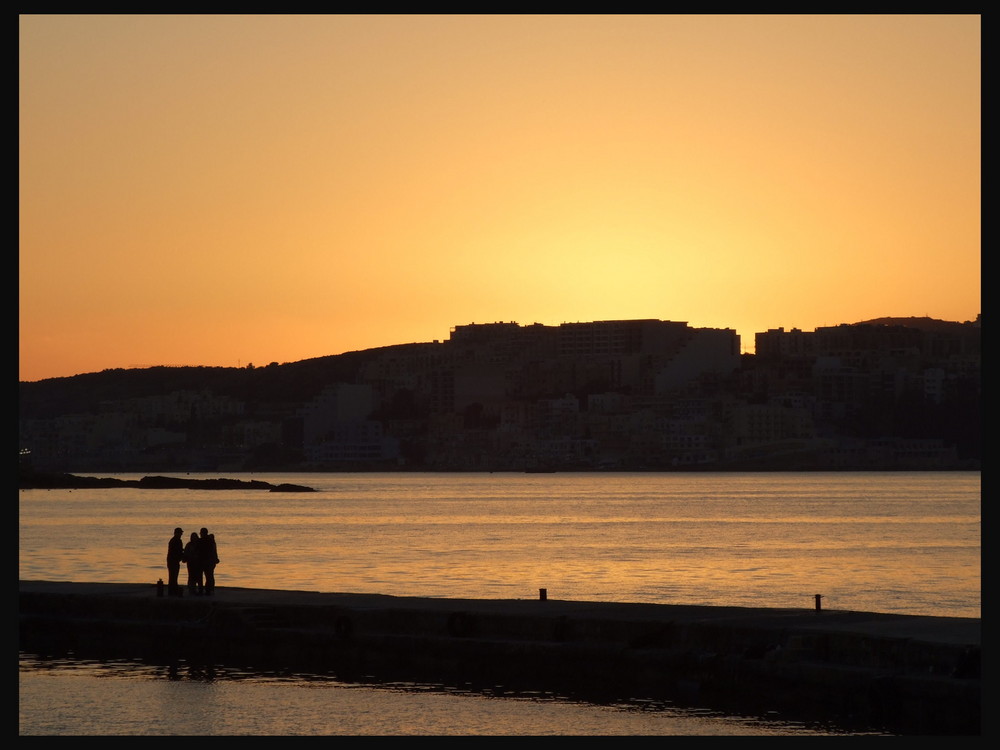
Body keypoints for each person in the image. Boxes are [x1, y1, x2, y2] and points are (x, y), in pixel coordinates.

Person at [199, 527, 219, 595]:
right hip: (209, 561)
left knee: (207, 576)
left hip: (206, 561)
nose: (200, 534)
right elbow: (214, 551)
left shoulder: (202, 541)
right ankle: (210, 589)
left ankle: (206, 590)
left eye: (201, 533)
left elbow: (211, 551)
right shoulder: (211, 540)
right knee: (209, 576)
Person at [166, 527, 185, 596]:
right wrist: (183, 554)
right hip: (173, 561)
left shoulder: (174, 540)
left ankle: (172, 590)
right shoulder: (176, 540)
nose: (181, 534)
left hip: (172, 560)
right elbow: (176, 551)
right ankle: (172, 591)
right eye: (180, 533)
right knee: (173, 576)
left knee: (173, 576)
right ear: (177, 533)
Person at [183, 531, 203, 595]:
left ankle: (200, 590)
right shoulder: (189, 545)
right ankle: (192, 589)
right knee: (191, 576)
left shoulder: (199, 544)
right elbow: (186, 552)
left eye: (195, 537)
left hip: (198, 563)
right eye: (193, 537)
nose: (194, 538)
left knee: (199, 577)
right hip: (191, 563)